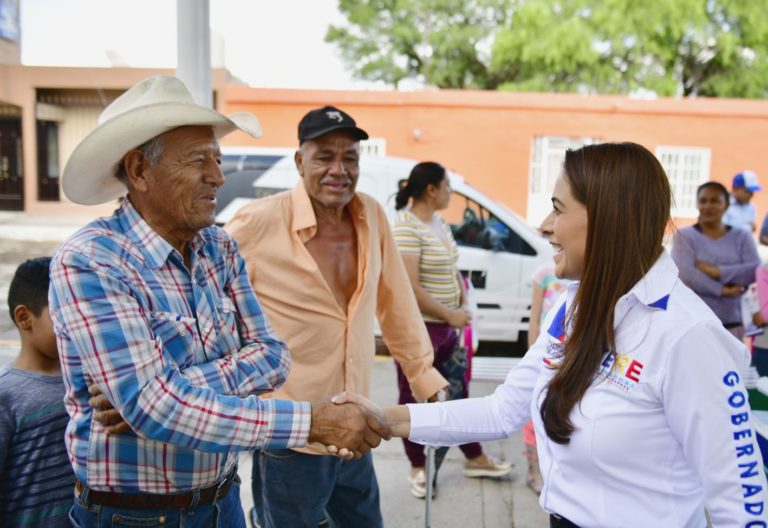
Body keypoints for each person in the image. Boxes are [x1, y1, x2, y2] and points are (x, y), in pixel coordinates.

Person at [336, 142, 768, 527]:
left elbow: (742, 502)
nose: (544, 225)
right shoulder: (576, 304)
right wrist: (385, 418)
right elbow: (502, 410)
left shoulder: (688, 336)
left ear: (609, 219)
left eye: (558, 209)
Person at [49, 76, 388, 527]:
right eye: (197, 160)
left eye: (218, 158)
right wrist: (310, 422)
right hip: (132, 517)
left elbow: (272, 357)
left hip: (221, 502)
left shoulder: (217, 248)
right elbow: (156, 406)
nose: (218, 176)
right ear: (138, 170)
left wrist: (173, 390)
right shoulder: (92, 262)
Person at [225, 106, 447, 527]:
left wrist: (424, 377)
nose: (338, 169)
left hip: (356, 424)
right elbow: (199, 294)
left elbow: (396, 301)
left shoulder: (371, 216)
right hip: (292, 436)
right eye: (325, 156)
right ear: (299, 162)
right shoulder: (256, 222)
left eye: (350, 158)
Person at [391, 161, 511, 499]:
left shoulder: (439, 222)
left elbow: (451, 267)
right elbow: (410, 288)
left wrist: (461, 303)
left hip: (448, 329)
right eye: (447, 187)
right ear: (431, 189)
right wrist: (450, 314)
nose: (450, 194)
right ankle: (418, 466)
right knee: (416, 397)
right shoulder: (406, 228)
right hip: (421, 332)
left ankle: (474, 457)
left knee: (456, 394)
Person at [0, 257, 73, 527]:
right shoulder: (6, 395)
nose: (74, 328)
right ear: (24, 318)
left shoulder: (87, 381)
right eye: (63, 317)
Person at [671, 181, 760, 341]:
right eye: (703, 201)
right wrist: (722, 290)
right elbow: (685, 274)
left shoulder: (742, 236)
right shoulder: (684, 236)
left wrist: (717, 271)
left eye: (715, 201)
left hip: (733, 323)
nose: (708, 206)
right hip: (694, 322)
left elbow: (754, 270)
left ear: (726, 205)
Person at [524, 261, 569, 495]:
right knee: (534, 417)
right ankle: (534, 470)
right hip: (546, 355)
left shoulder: (581, 276)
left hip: (569, 360)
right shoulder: (543, 274)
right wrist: (533, 352)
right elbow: (534, 319)